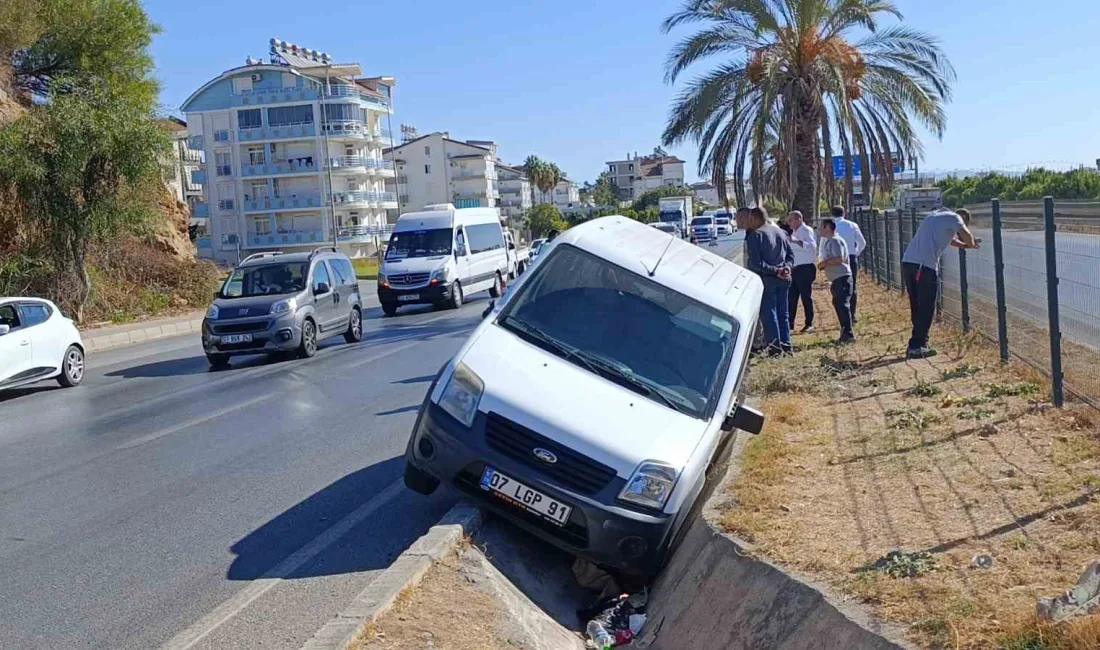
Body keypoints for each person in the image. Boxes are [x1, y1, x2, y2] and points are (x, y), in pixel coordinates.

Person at [902, 207, 980, 359]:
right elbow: (967, 235)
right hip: (924, 267)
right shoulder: (955, 218)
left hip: (909, 263)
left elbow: (950, 240)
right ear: (963, 219)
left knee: (917, 305)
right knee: (927, 306)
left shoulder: (935, 217)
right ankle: (916, 346)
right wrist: (971, 244)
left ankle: (920, 342)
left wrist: (964, 245)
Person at [744, 206, 794, 355]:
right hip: (784, 278)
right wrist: (786, 268)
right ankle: (786, 345)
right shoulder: (780, 232)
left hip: (767, 279)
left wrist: (775, 271)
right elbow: (790, 255)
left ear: (754, 218)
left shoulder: (756, 235)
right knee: (783, 313)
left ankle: (775, 348)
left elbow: (756, 263)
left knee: (769, 314)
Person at [817, 218, 855, 344]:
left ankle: (848, 335)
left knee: (842, 306)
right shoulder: (831, 241)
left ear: (827, 227)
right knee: (839, 305)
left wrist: (824, 263)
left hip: (842, 278)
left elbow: (839, 259)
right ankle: (845, 334)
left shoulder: (835, 241)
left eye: (821, 227)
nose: (819, 229)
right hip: (837, 279)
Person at [831, 206, 867, 322]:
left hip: (835, 258)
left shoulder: (832, 227)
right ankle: (852, 313)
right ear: (844, 213)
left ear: (832, 214)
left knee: (837, 285)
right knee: (852, 286)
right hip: (850, 257)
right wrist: (855, 253)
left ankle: (842, 313)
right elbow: (862, 242)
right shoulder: (852, 225)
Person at [786, 211, 817, 333]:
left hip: (805, 269)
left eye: (791, 220)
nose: (789, 223)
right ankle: (790, 325)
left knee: (805, 297)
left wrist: (795, 241)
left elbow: (811, 246)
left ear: (799, 219)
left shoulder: (805, 230)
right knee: (792, 298)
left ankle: (809, 323)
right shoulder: (795, 232)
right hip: (795, 269)